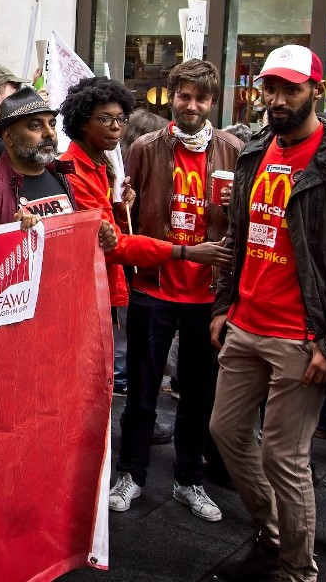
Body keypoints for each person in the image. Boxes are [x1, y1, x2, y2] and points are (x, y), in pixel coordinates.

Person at [208, 45, 326, 582]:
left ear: (316, 91)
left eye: (292, 88)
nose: (279, 99)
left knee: (284, 460)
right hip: (245, 325)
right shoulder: (254, 148)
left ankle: (297, 569)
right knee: (227, 434)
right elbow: (239, 235)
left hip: (302, 337)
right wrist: (224, 307)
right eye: (272, 88)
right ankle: (272, 536)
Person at [110, 59, 243, 521]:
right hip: (155, 287)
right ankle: (132, 475)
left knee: (198, 395)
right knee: (143, 390)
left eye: (200, 98)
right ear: (171, 97)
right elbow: (124, 210)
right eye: (183, 96)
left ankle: (189, 481)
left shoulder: (233, 148)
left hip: (209, 295)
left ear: (212, 102)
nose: (191, 105)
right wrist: (123, 199)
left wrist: (234, 207)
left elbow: (246, 222)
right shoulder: (146, 147)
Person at [59, 76, 230, 310]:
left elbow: (114, 230)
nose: (116, 126)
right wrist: (186, 252)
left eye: (121, 119)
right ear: (81, 122)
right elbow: (113, 245)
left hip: (115, 288)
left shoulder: (100, 165)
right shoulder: (73, 171)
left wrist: (122, 208)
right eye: (105, 119)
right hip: (91, 294)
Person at [0, 87, 79, 225]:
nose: (49, 133)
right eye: (35, 126)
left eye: (52, 124)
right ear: (9, 137)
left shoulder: (60, 174)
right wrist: (14, 234)